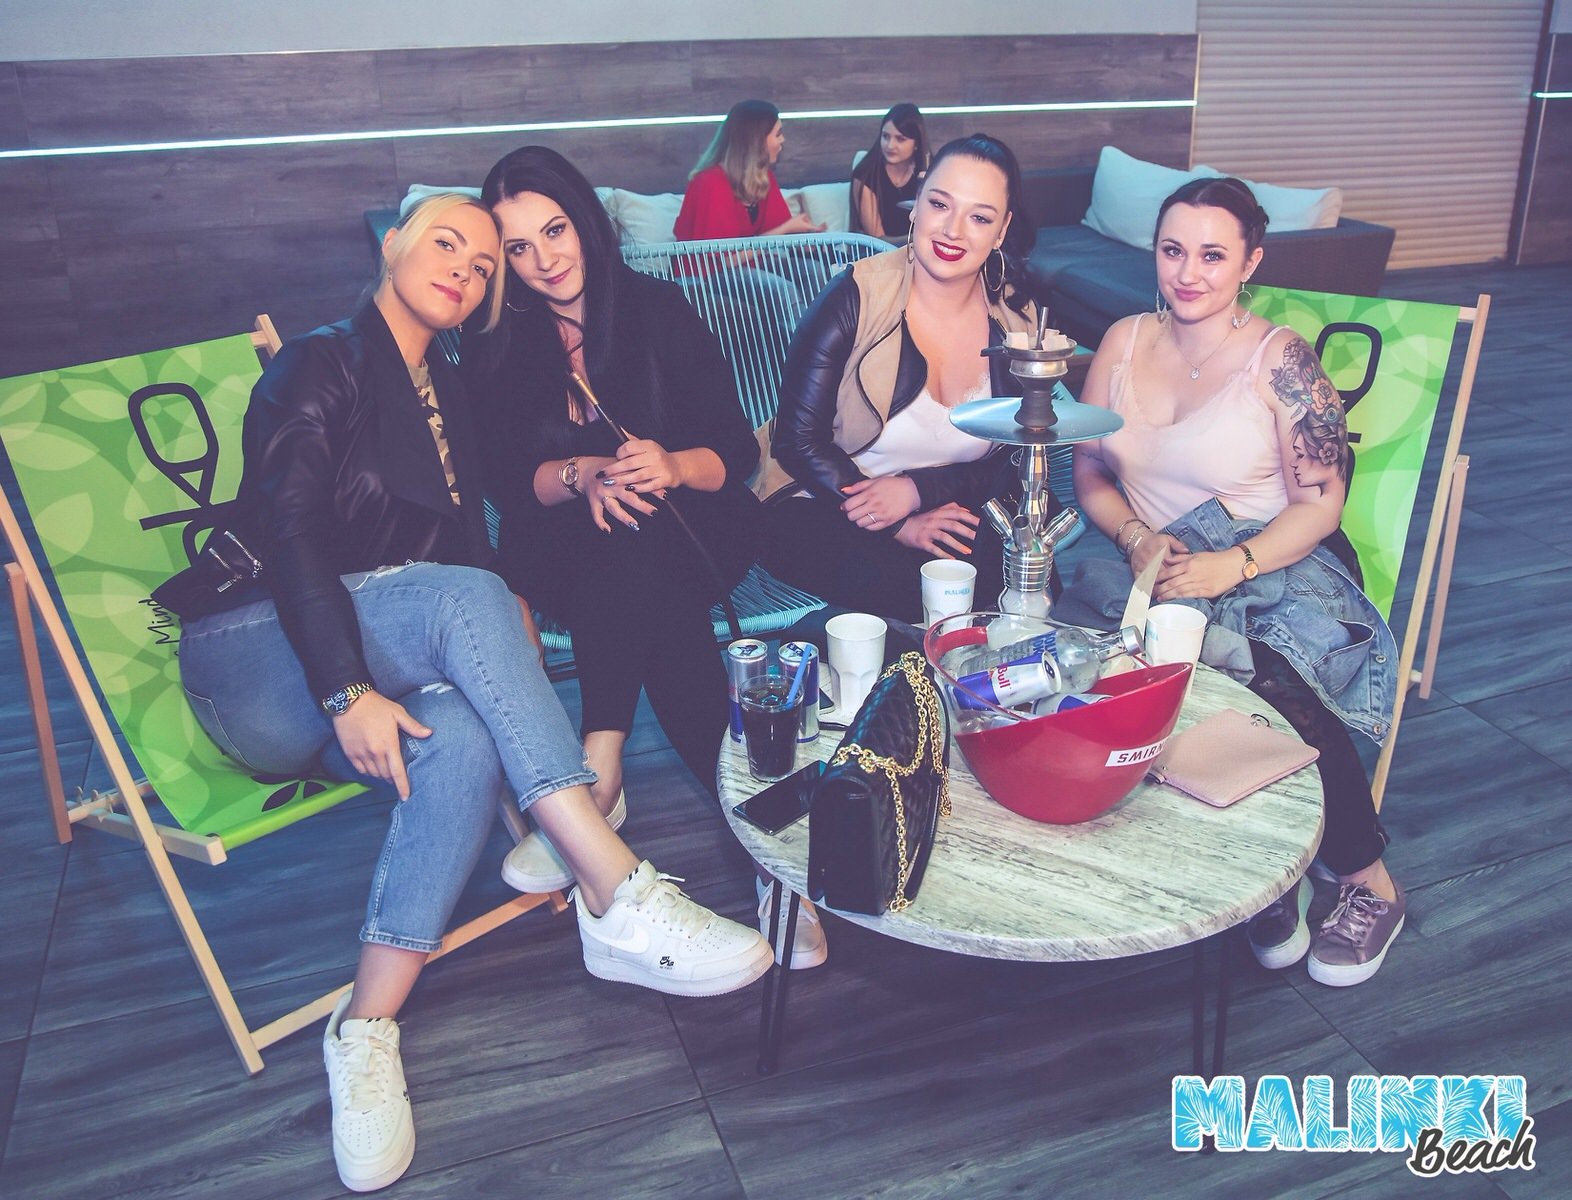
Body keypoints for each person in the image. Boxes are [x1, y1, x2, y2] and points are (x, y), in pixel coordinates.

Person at [167, 193, 772, 1193]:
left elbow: (459, 553)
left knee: (459, 735)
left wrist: (503, 635)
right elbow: (294, 536)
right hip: (253, 658)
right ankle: (615, 889)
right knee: (470, 600)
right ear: (391, 247)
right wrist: (345, 691)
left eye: (486, 264)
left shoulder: (441, 386)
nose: (467, 267)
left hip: (367, 658)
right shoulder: (318, 363)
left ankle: (363, 1026)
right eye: (447, 243)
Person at [1072, 175, 1404, 987]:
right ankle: (1260, 875)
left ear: (1250, 262)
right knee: (1081, 673)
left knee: (1271, 677)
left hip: (1272, 557)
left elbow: (1322, 502)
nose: (1188, 273)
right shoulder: (1121, 341)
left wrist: (1233, 564)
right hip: (1153, 562)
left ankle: (1366, 879)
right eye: (1173, 250)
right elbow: (1089, 472)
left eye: (1213, 255)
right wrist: (1136, 536)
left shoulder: (1279, 360)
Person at [760, 133, 1056, 624]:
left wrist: (916, 491)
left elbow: (1016, 454)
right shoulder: (855, 295)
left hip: (946, 497)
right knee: (907, 588)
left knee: (1024, 570)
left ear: (1002, 230)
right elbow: (797, 441)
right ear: (916, 203)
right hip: (826, 499)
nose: (953, 230)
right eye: (940, 204)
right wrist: (897, 523)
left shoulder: (1016, 318)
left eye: (979, 217)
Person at [673, 99, 826, 241]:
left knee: (823, 261)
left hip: (756, 260)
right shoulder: (711, 182)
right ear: (756, 141)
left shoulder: (762, 177)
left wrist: (810, 240)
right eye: (778, 134)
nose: (782, 140)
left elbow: (780, 235)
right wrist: (784, 229)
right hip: (715, 263)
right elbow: (722, 257)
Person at [850, 103, 929, 241]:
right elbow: (877, 240)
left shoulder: (928, 171)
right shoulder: (865, 175)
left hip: (918, 249)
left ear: (916, 143)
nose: (890, 145)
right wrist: (918, 240)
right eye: (886, 136)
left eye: (900, 139)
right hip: (878, 250)